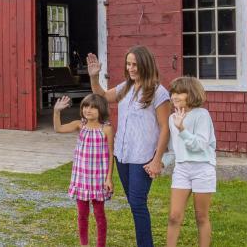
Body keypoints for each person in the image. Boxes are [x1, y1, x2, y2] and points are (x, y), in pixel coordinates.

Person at [85, 45, 172, 247]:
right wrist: (94, 77)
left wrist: (157, 159)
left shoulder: (159, 92)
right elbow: (102, 96)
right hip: (123, 155)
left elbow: (165, 127)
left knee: (138, 203)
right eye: (128, 64)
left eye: (135, 64)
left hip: (143, 157)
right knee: (134, 203)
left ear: (145, 65)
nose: (131, 68)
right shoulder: (126, 87)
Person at [53, 93, 114, 247]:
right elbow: (58, 128)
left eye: (93, 107)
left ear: (101, 110)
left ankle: (101, 245)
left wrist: (109, 178)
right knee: (82, 214)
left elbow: (111, 154)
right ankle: (84, 244)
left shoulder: (106, 129)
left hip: (99, 178)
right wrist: (57, 111)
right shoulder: (79, 125)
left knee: (99, 214)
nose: (89, 110)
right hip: (81, 178)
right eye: (86, 106)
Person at [163, 76, 217, 247]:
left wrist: (182, 129)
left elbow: (200, 145)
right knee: (174, 216)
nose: (175, 96)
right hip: (182, 170)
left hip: (202, 169)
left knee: (201, 217)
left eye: (181, 93)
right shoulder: (173, 118)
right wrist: (161, 162)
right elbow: (173, 149)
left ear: (191, 94)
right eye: (173, 93)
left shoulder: (202, 115)